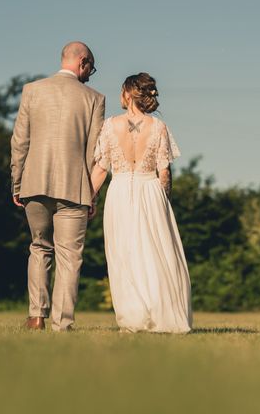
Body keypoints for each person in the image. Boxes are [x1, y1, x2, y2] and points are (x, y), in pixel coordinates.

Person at [10, 41, 105, 331]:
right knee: (70, 256)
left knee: (39, 247)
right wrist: (92, 195)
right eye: (92, 67)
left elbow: (19, 141)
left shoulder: (32, 90)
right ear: (83, 62)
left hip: (34, 182)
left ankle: (36, 316)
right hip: (74, 188)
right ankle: (62, 323)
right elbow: (95, 152)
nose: (91, 73)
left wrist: (17, 182)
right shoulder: (94, 99)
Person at [90, 72, 192, 333]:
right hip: (151, 190)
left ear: (127, 94)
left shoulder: (110, 125)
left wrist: (89, 197)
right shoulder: (158, 127)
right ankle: (160, 314)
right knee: (156, 254)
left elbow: (101, 168)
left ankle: (134, 316)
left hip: (120, 191)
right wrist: (165, 198)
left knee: (124, 253)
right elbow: (164, 171)